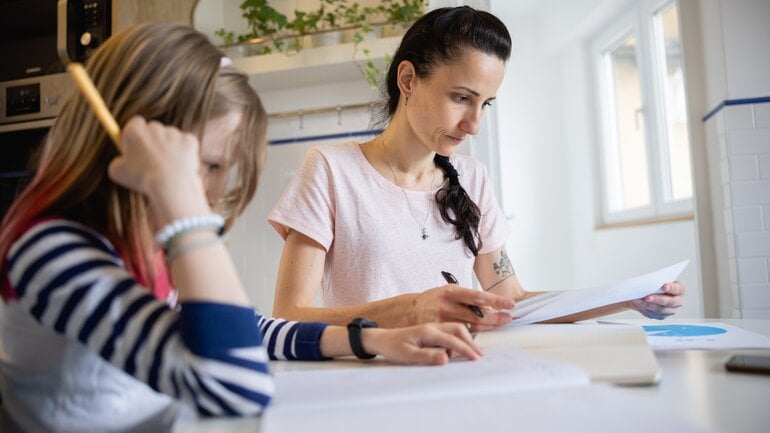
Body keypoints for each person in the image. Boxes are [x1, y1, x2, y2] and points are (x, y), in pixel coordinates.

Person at [0, 22, 483, 433]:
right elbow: (234, 383)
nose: (209, 194)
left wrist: (368, 339)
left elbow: (237, 329)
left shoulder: (137, 242)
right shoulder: (50, 250)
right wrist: (184, 216)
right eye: (205, 166)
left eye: (219, 171)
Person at [268, 6, 686, 330]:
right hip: (373, 382)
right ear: (409, 79)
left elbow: (513, 301)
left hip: (464, 373)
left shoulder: (472, 179)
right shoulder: (330, 170)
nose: (474, 125)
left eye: (484, 104)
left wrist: (627, 299)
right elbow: (289, 316)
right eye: (461, 98)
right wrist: (414, 309)